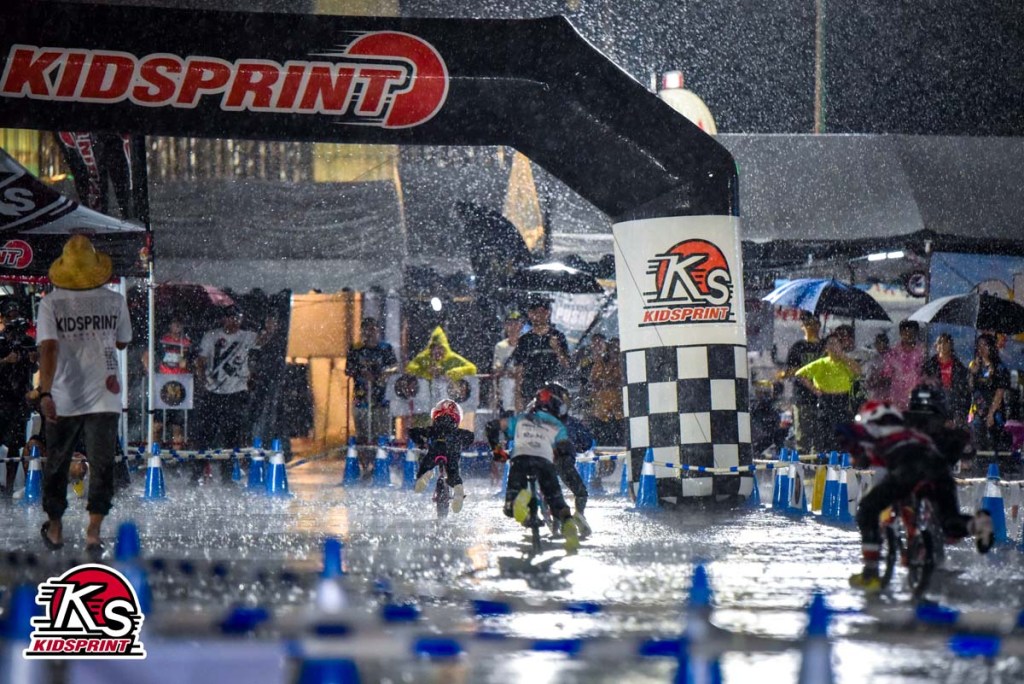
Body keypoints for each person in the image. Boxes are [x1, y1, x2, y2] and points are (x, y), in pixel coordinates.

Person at [35, 235, 132, 558]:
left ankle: (55, 528)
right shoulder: (114, 300)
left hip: (63, 396)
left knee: (57, 463)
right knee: (102, 463)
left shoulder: (51, 303)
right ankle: (93, 533)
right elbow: (122, 342)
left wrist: (44, 391)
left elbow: (49, 349)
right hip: (105, 395)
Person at [839, 401, 993, 592]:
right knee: (948, 521)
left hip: (910, 469)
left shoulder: (876, 433)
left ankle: (870, 574)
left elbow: (870, 465)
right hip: (940, 470)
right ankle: (977, 524)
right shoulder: (917, 435)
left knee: (867, 510)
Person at [194, 305, 277, 482]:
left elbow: (261, 340)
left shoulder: (246, 336)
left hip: (236, 392)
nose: (235, 322)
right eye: (232, 318)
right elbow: (201, 360)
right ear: (224, 319)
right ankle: (198, 472)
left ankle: (228, 474)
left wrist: (269, 330)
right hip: (214, 391)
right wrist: (202, 378)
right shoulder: (212, 336)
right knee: (206, 433)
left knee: (232, 435)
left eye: (238, 318)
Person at [497, 386, 581, 553]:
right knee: (556, 500)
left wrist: (498, 450)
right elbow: (564, 447)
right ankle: (568, 523)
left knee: (510, 504)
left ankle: (518, 501)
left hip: (520, 460)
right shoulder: (557, 425)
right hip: (545, 462)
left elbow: (504, 431)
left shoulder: (521, 419)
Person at [794, 332, 860, 453]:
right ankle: (824, 458)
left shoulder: (846, 363)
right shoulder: (821, 363)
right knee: (824, 432)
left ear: (841, 346)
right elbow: (799, 374)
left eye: (836, 343)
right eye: (830, 343)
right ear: (826, 348)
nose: (833, 346)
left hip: (842, 401)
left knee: (843, 433)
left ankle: (841, 457)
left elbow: (858, 371)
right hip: (826, 400)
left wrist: (842, 356)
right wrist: (814, 389)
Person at [0, 299, 38, 498]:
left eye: (17, 315)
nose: (14, 320)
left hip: (20, 401)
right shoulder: (1, 342)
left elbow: (33, 369)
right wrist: (6, 361)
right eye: (10, 316)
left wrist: (33, 360)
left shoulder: (28, 342)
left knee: (15, 445)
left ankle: (9, 488)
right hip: (2, 399)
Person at [405, 326, 478, 427]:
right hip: (424, 402)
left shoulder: (452, 358)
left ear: (445, 349)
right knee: (423, 423)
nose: (437, 352)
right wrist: (426, 372)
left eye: (440, 349)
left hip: (445, 400)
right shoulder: (424, 358)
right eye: (435, 349)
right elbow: (409, 368)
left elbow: (472, 368)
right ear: (431, 349)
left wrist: (452, 373)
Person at [345, 317, 398, 456]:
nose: (370, 333)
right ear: (362, 331)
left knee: (381, 433)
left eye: (373, 329)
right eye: (367, 329)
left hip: (382, 399)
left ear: (378, 331)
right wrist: (361, 372)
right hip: (361, 398)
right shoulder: (356, 349)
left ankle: (381, 460)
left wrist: (382, 373)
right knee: (362, 433)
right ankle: (364, 461)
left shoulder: (385, 348)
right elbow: (348, 369)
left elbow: (394, 367)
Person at [410, 399, 474, 513]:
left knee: (425, 466)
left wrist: (421, 443)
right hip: (451, 451)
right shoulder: (456, 431)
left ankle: (426, 474)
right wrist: (463, 445)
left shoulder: (433, 429)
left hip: (436, 449)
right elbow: (470, 436)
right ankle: (458, 488)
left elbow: (413, 432)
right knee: (453, 472)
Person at [512, 294, 571, 412]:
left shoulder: (558, 336)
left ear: (547, 313)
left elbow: (567, 364)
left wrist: (557, 349)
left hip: (553, 393)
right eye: (534, 312)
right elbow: (519, 370)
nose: (538, 315)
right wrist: (517, 396)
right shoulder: (524, 340)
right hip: (530, 392)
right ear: (529, 314)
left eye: (542, 311)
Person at [778, 311, 825, 455]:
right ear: (802, 326)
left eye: (812, 323)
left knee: (820, 437)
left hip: (824, 398)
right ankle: (802, 464)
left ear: (818, 325)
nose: (809, 326)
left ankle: (818, 464)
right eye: (806, 324)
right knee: (802, 436)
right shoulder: (798, 347)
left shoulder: (825, 346)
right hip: (802, 398)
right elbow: (792, 371)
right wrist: (808, 382)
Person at [968, 332, 1011, 452]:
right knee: (977, 445)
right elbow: (971, 389)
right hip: (977, 411)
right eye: (979, 345)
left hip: (994, 411)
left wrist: (991, 414)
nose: (981, 348)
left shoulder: (999, 368)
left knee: (992, 444)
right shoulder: (975, 365)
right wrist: (972, 374)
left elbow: (999, 393)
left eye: (985, 345)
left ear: (991, 347)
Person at [153, 316, 191, 449]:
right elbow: (148, 357)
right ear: (170, 325)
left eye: (180, 323)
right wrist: (152, 374)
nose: (177, 327)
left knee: (177, 427)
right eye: (175, 323)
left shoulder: (187, 343)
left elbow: (192, 363)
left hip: (181, 386)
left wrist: (187, 364)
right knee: (157, 425)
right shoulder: (162, 341)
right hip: (163, 386)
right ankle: (153, 453)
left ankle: (176, 457)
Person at [920, 333, 971, 428]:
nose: (943, 345)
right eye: (940, 342)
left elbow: (964, 392)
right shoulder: (929, 366)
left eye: (946, 342)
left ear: (951, 345)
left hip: (954, 407)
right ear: (936, 346)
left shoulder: (959, 367)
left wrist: (960, 414)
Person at [874, 320, 925, 411]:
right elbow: (886, 374)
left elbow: (925, 373)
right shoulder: (893, 353)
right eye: (905, 332)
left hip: (916, 398)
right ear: (900, 333)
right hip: (897, 398)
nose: (908, 335)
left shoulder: (922, 352)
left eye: (911, 332)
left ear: (916, 333)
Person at [587, 336, 624, 447]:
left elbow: (624, 382)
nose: (615, 352)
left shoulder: (624, 365)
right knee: (602, 444)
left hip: (619, 413)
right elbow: (593, 382)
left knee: (619, 444)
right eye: (613, 349)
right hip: (601, 413)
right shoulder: (600, 364)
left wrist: (612, 382)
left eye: (617, 350)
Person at [491, 311, 523, 413]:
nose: (513, 327)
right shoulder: (500, 346)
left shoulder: (525, 345)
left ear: (521, 326)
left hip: (522, 389)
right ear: (505, 326)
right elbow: (497, 368)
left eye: (516, 323)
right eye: (510, 324)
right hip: (506, 391)